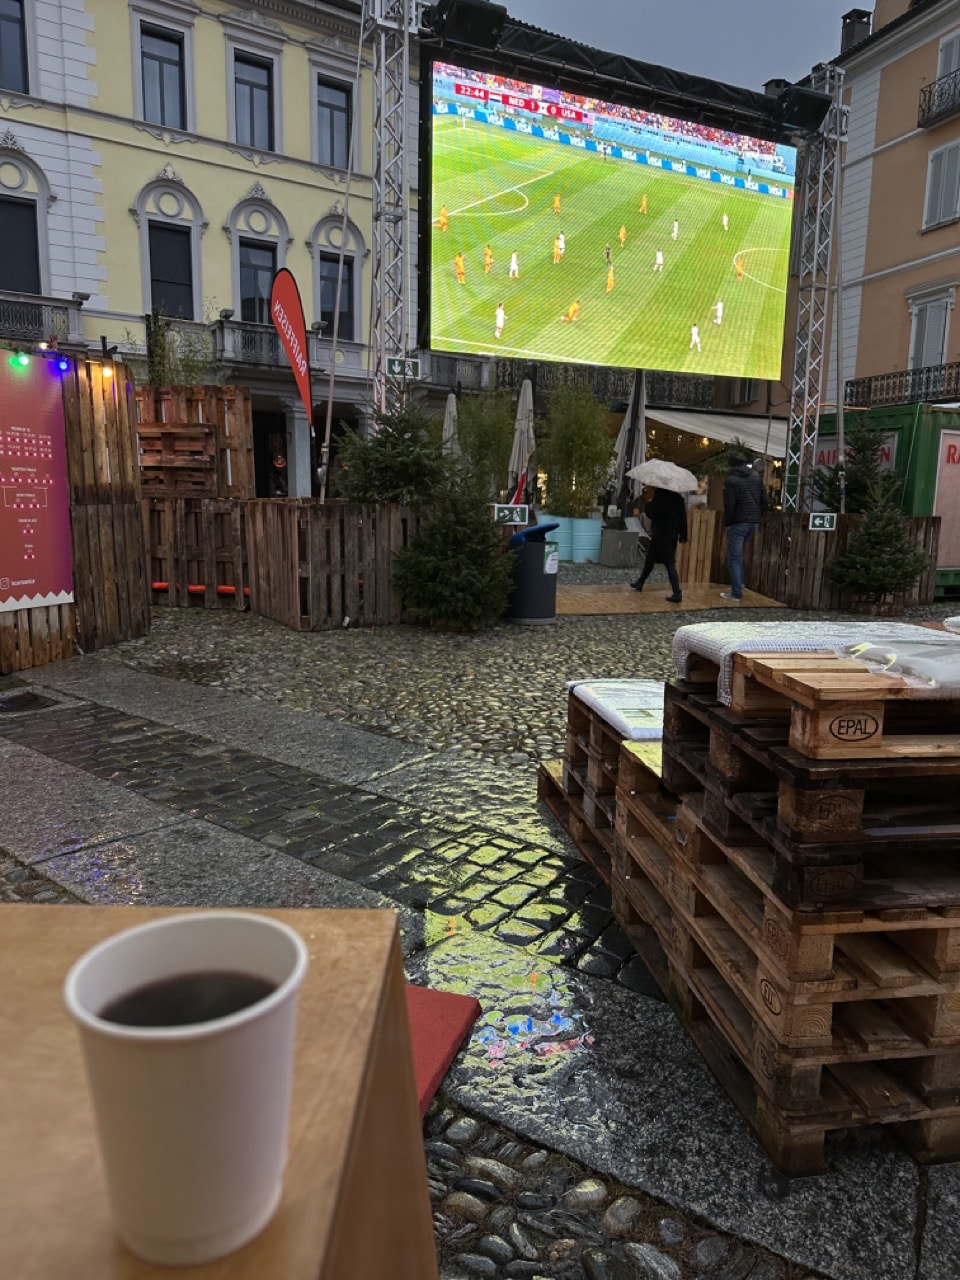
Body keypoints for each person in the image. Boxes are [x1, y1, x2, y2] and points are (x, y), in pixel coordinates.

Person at [721, 452, 767, 602]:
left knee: (734, 557)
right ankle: (739, 585)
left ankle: (736, 593)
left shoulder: (731, 481)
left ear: (731, 464)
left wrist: (728, 523)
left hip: (738, 523)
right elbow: (764, 501)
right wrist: (757, 516)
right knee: (738, 555)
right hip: (753, 523)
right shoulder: (756, 479)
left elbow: (730, 505)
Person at [630, 487, 687, 603]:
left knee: (667, 563)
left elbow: (652, 514)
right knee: (652, 559)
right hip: (671, 535)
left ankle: (677, 592)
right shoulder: (678, 499)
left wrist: (648, 503)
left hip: (660, 535)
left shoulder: (659, 497)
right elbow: (683, 518)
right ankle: (640, 582)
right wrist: (683, 534)